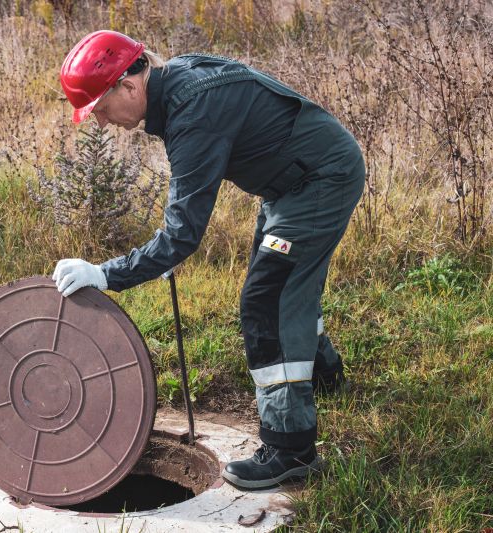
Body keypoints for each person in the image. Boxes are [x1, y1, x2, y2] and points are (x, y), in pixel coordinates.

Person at [52, 30, 364, 490]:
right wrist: (165, 249)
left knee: (267, 300)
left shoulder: (192, 110)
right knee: (288, 285)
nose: (100, 124)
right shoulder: (179, 83)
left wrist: (104, 274)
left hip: (319, 182)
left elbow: (182, 233)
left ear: (129, 86)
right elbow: (187, 202)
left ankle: (289, 448)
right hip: (291, 183)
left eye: (98, 110)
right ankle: (325, 375)